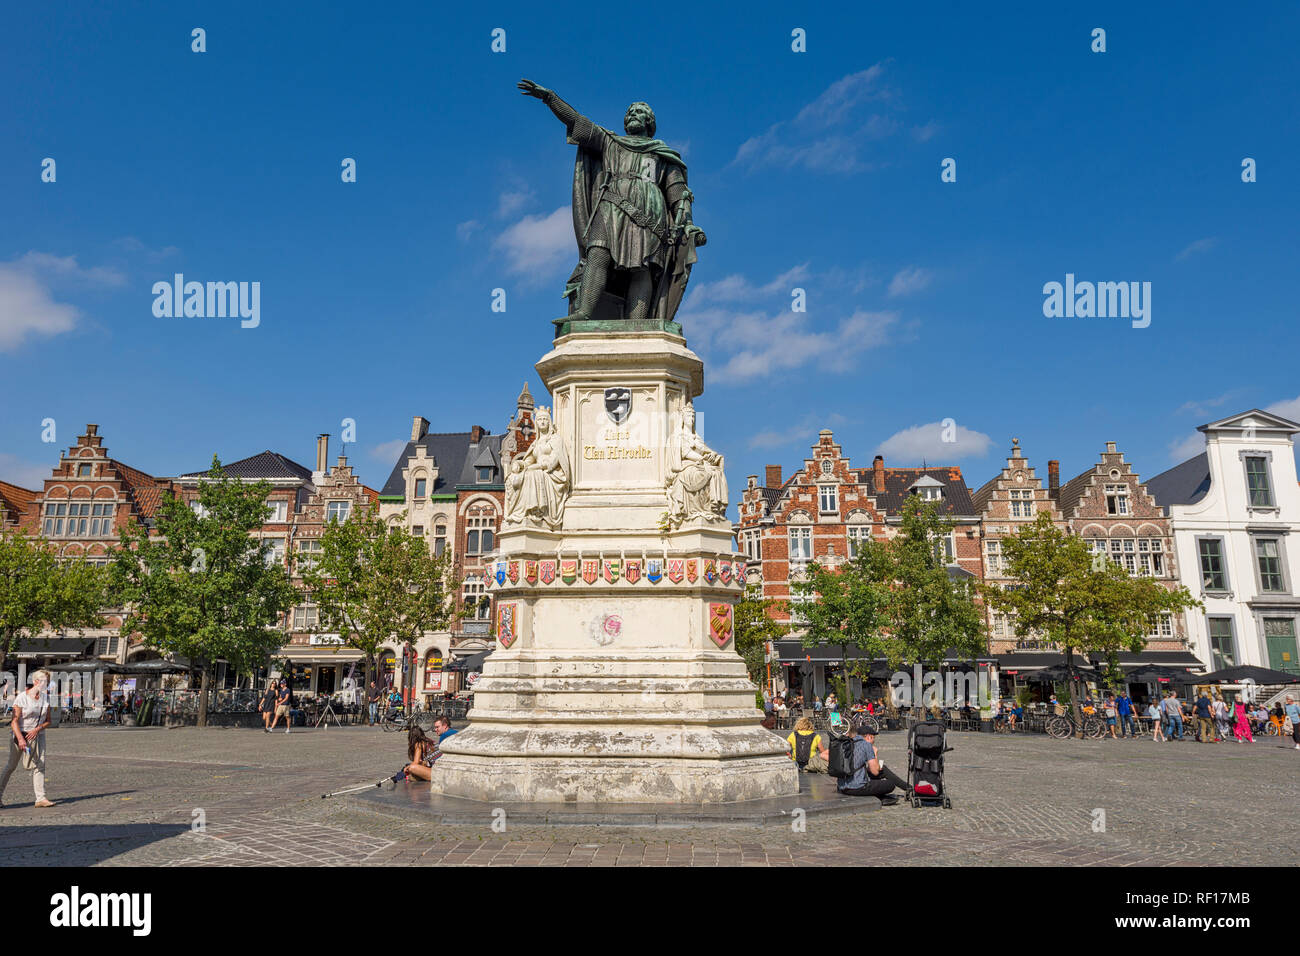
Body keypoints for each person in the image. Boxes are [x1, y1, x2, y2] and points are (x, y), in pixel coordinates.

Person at [0, 670, 55, 808]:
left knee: (40, 765)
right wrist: (21, 739)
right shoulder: (22, 698)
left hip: (38, 736)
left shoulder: (46, 698)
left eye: (47, 681)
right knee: (11, 766)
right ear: (36, 682)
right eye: (43, 681)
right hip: (20, 735)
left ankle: (40, 798)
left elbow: (49, 721)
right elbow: (14, 721)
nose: (46, 684)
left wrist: (37, 729)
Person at [836, 718, 911, 804]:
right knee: (890, 784)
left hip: (842, 787)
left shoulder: (846, 743)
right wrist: (874, 753)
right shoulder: (866, 745)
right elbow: (875, 771)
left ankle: (904, 789)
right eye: (873, 737)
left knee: (882, 770)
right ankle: (908, 789)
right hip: (857, 788)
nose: (874, 740)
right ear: (869, 736)